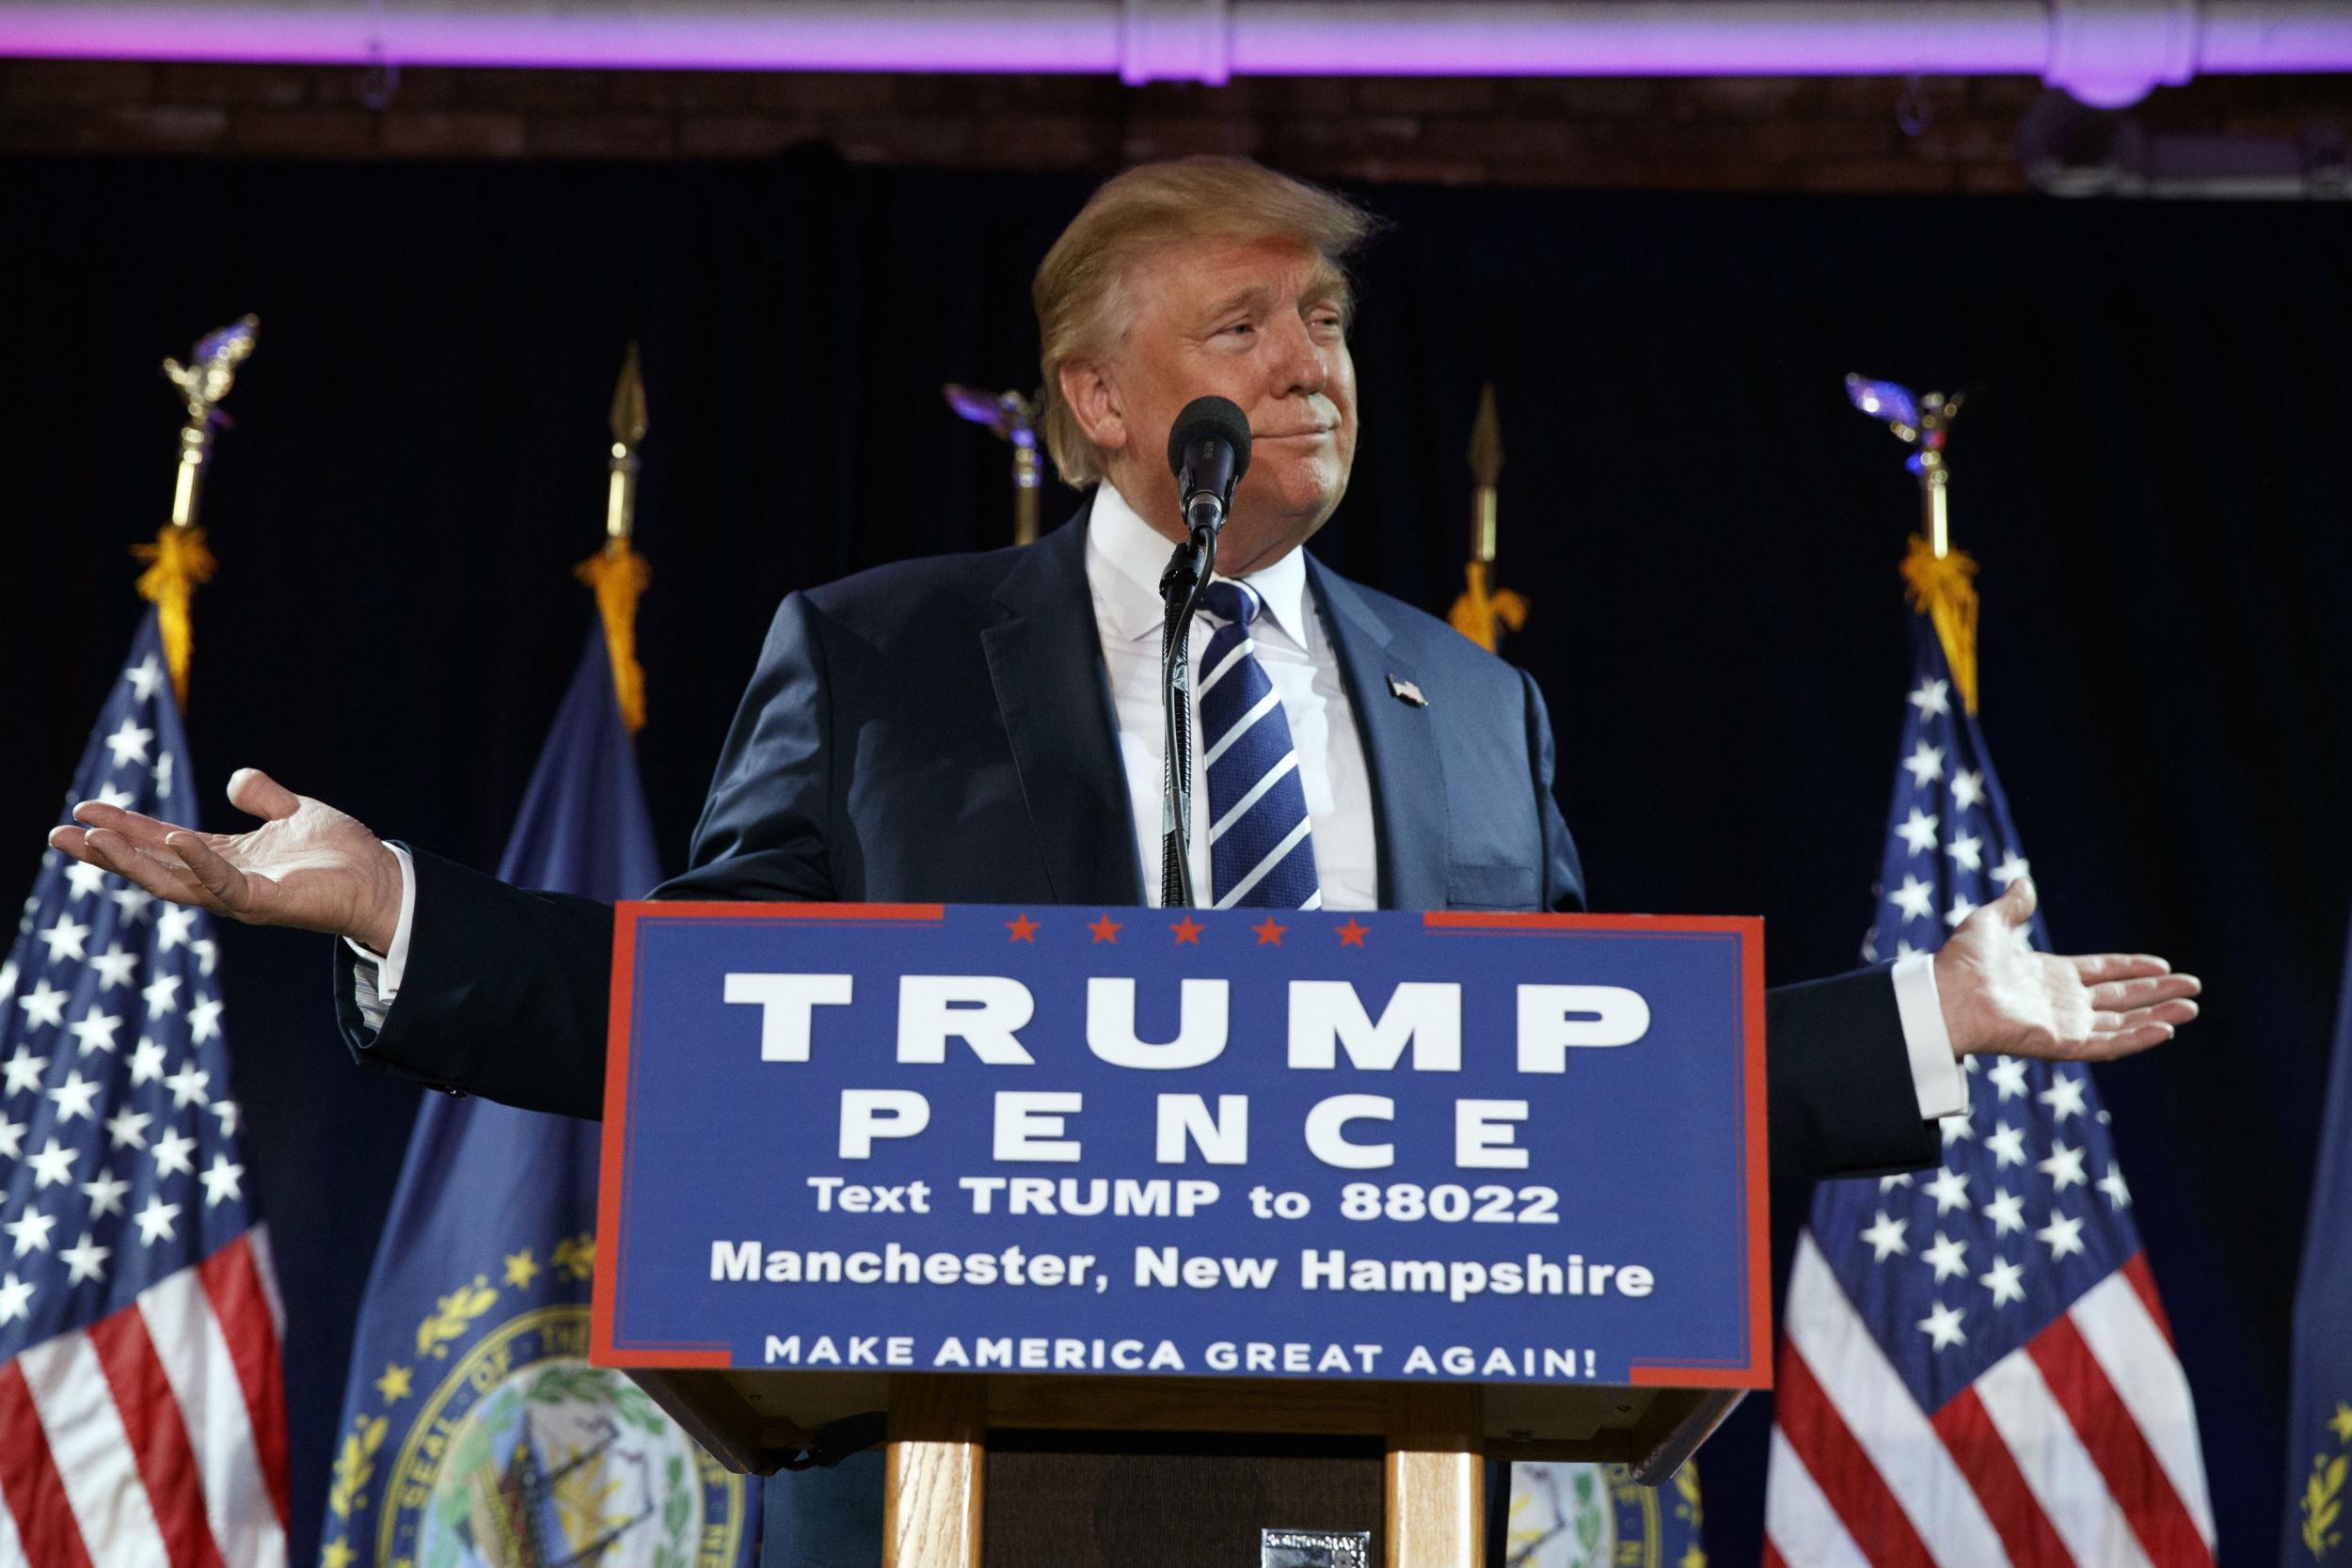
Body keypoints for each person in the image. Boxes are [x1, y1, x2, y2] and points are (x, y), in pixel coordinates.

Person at [50, 156, 2200, 1564]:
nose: (1310, 369)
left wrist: (1929, 1017)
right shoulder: (884, 657)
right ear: (1096, 401)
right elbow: (704, 1024)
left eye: (1328, 329)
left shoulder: (1470, 702)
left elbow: (1591, 1080)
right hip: (940, 1465)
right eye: (1243, 330)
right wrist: (397, 905)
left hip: (1381, 1468)